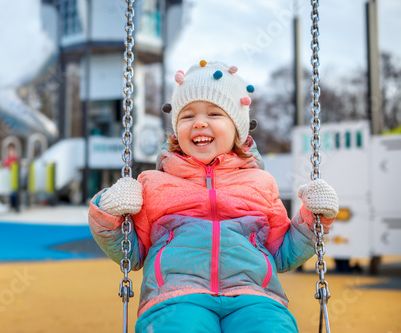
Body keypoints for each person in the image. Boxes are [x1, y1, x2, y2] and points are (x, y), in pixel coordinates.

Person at [88, 60, 339, 333]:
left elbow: (282, 253)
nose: (199, 123)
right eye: (187, 116)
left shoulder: (260, 183)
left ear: (237, 128)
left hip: (255, 296)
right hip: (176, 296)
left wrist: (313, 219)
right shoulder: (153, 183)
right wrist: (109, 211)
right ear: (176, 128)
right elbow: (131, 253)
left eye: (214, 114)